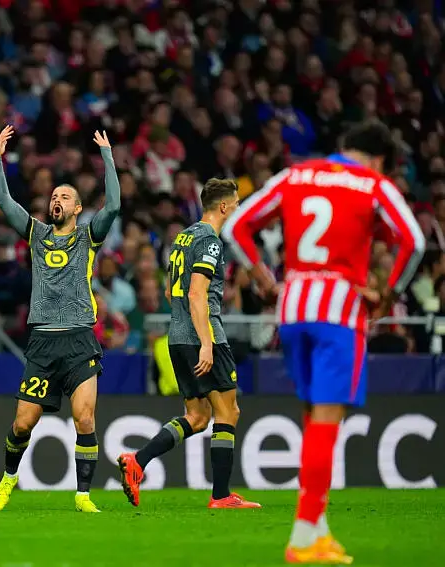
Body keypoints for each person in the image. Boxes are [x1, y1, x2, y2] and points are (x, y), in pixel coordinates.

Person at [221, 121, 425, 564]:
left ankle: (317, 529)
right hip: (339, 308)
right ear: (377, 159)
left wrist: (262, 276)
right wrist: (389, 293)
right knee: (327, 422)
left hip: (292, 306)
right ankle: (302, 537)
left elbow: (235, 225)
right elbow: (415, 242)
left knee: (313, 417)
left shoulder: (295, 175)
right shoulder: (372, 182)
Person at [0, 126, 121, 513]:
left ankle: (82, 495)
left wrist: (107, 157)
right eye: (53, 196)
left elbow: (112, 205)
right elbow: (2, 200)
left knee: (85, 418)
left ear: (78, 208)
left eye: (65, 196)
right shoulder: (36, 234)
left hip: (80, 338)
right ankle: (9, 478)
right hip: (43, 341)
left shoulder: (88, 237)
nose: (57, 199)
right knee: (23, 424)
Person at [117, 178, 261, 510]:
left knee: (197, 416)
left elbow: (171, 292)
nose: (237, 208)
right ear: (223, 206)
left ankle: (138, 461)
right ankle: (222, 496)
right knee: (229, 412)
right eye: (236, 203)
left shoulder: (183, 238)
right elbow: (196, 293)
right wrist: (208, 344)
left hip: (177, 336)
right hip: (202, 336)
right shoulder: (210, 241)